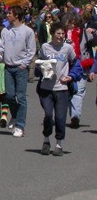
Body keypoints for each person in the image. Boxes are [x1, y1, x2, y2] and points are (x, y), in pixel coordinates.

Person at [36, 22, 79, 156]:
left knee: (60, 118)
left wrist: (71, 76)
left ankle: (59, 144)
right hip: (46, 88)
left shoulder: (68, 48)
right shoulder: (45, 47)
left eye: (62, 34)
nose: (60, 36)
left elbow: (76, 65)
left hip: (62, 88)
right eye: (58, 33)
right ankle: (46, 140)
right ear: (53, 34)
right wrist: (41, 68)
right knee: (49, 115)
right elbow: (39, 63)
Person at [0, 6, 37, 138]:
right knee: (9, 95)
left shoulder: (27, 31)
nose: (7, 16)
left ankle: (20, 126)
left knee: (21, 97)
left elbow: (31, 50)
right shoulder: (6, 31)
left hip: (20, 68)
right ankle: (15, 115)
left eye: (10, 14)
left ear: (16, 16)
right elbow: (1, 46)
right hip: (8, 67)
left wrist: (24, 64)